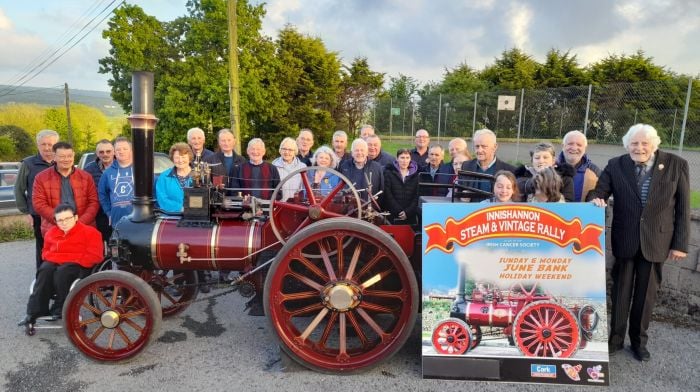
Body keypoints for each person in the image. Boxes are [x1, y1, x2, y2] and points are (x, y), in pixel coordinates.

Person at [587, 124, 689, 362]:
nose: (639, 148)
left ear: (654, 144)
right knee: (620, 293)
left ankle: (638, 343)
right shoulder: (616, 165)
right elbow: (598, 192)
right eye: (634, 143)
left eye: (644, 143)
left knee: (646, 297)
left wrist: (681, 244)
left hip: (657, 241)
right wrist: (596, 200)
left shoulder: (676, 165)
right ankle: (615, 340)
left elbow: (683, 208)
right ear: (627, 145)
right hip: (625, 240)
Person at [18, 204, 103, 329]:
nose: (64, 223)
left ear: (75, 217)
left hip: (81, 266)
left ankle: (61, 308)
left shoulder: (91, 233)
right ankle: (35, 311)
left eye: (67, 218)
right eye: (60, 220)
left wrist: (63, 258)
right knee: (45, 269)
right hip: (57, 265)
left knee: (63, 271)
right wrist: (64, 258)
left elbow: (95, 256)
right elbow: (45, 254)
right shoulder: (51, 233)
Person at [32, 141, 100, 239]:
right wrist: (61, 221)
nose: (66, 159)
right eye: (62, 156)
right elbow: (39, 204)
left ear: (73, 156)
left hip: (84, 228)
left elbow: (94, 202)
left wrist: (78, 223)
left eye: (69, 156)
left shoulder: (86, 177)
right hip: (54, 229)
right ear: (54, 157)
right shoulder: (41, 178)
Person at [15, 129, 59, 269]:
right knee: (42, 247)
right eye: (43, 144)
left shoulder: (61, 161)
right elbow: (19, 189)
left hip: (60, 214)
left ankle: (60, 278)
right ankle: (42, 280)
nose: (47, 148)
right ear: (38, 145)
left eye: (50, 144)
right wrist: (26, 211)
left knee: (61, 246)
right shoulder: (28, 164)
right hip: (38, 214)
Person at [460, 129, 516, 201]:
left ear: (495, 147)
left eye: (484, 146)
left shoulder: (509, 170)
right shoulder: (466, 166)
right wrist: (462, 196)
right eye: (477, 146)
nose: (479, 150)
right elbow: (459, 191)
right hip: (471, 211)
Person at [98, 137, 134, 227]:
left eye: (125, 149)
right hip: (117, 220)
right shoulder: (107, 173)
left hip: (139, 220)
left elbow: (152, 191)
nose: (121, 151)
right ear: (114, 152)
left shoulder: (141, 170)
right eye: (118, 149)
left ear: (131, 151)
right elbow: (102, 194)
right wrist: (108, 212)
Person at [84, 139, 115, 243]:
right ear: (97, 153)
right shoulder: (89, 169)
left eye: (108, 151)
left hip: (118, 210)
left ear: (114, 152)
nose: (105, 154)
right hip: (99, 212)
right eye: (101, 152)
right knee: (102, 242)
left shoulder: (121, 166)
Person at [557, 130, 601, 202]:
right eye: (570, 144)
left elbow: (602, 196)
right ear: (563, 146)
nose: (574, 148)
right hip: (553, 213)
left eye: (579, 145)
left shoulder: (594, 171)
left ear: (585, 149)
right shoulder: (551, 168)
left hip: (583, 213)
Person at [339, 138, 384, 202]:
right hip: (348, 209)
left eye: (362, 150)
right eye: (356, 150)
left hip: (370, 208)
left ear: (366, 153)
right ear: (352, 153)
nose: (359, 153)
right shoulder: (344, 166)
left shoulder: (377, 168)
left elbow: (381, 191)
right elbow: (339, 189)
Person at [383, 148, 419, 224]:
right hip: (392, 215)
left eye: (407, 158)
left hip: (410, 215)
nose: (405, 161)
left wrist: (408, 212)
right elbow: (387, 193)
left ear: (410, 159)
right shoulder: (389, 173)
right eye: (402, 158)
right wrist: (398, 210)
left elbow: (417, 195)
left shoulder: (416, 175)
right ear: (397, 159)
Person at [156, 143, 194, 214]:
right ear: (172, 159)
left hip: (196, 216)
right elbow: (162, 199)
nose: (180, 160)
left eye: (183, 157)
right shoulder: (164, 176)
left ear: (189, 157)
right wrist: (181, 208)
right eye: (177, 157)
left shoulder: (200, 175)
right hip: (172, 217)